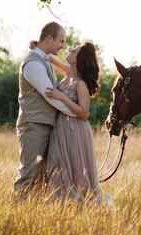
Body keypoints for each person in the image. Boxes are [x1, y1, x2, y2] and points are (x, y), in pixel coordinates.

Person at [44, 42, 112, 206]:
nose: (69, 50)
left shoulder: (80, 84)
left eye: (74, 50)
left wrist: (62, 97)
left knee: (75, 168)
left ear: (79, 58)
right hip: (61, 128)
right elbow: (53, 61)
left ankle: (79, 204)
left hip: (75, 130)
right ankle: (60, 201)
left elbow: (84, 113)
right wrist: (40, 50)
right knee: (57, 163)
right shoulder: (69, 74)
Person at [13, 22, 76, 196]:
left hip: (44, 124)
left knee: (42, 178)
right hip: (34, 125)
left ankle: (31, 214)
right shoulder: (33, 64)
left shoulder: (43, 60)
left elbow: (69, 72)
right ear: (49, 39)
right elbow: (51, 96)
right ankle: (13, 213)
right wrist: (77, 112)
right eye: (61, 41)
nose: (62, 46)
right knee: (29, 174)